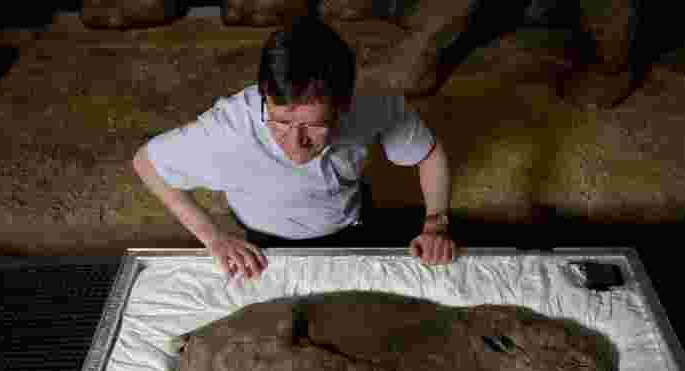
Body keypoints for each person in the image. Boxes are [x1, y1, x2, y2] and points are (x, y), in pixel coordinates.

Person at [132, 14, 458, 280]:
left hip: (352, 221)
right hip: (266, 242)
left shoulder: (373, 103)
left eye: (315, 126)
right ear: (264, 94)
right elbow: (146, 163)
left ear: (344, 105)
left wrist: (436, 223)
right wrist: (213, 238)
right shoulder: (228, 127)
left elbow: (428, 154)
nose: (296, 143)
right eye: (280, 122)